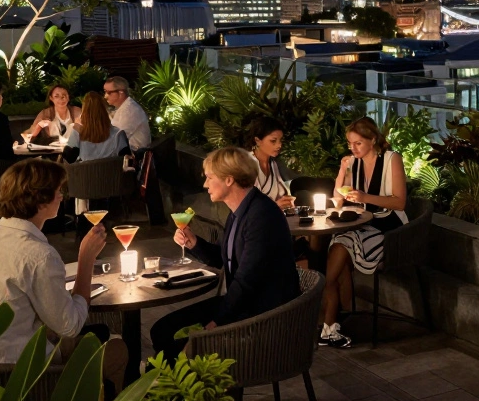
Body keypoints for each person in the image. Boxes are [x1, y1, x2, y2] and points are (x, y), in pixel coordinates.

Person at [0, 158, 126, 391]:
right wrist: (86, 260)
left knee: (96, 333)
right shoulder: (39, 255)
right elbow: (71, 325)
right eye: (58, 190)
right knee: (117, 349)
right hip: (20, 378)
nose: (62, 196)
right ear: (40, 200)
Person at [150, 147, 300, 361]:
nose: (204, 184)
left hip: (264, 316)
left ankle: (179, 387)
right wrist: (194, 243)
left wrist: (218, 322)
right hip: (245, 303)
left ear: (229, 180)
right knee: (162, 329)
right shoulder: (240, 211)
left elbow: (246, 281)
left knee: (169, 344)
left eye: (210, 177)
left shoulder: (261, 216)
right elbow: (225, 258)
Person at [318, 117, 408, 349]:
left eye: (358, 143)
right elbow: (338, 200)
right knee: (339, 242)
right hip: (360, 224)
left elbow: (399, 203)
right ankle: (332, 326)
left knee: (342, 243)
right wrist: (342, 170)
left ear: (373, 139)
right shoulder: (353, 163)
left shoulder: (391, 159)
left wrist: (365, 197)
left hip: (388, 225)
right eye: (350, 143)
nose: (353, 148)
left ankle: (330, 321)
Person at [61, 92, 130, 164]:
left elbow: (69, 159)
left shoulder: (78, 132)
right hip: (111, 174)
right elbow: (127, 162)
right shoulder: (118, 134)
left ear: (84, 111)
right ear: (104, 110)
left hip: (85, 174)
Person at [245, 116, 296, 211]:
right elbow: (245, 205)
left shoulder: (273, 165)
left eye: (280, 140)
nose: (279, 145)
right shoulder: (246, 164)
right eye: (273, 141)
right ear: (257, 140)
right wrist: (274, 206)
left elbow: (280, 195)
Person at [103, 76, 151, 153]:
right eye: (105, 91)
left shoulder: (129, 110)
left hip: (134, 157)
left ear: (121, 93)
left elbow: (116, 138)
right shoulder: (124, 107)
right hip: (126, 154)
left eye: (109, 93)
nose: (105, 96)